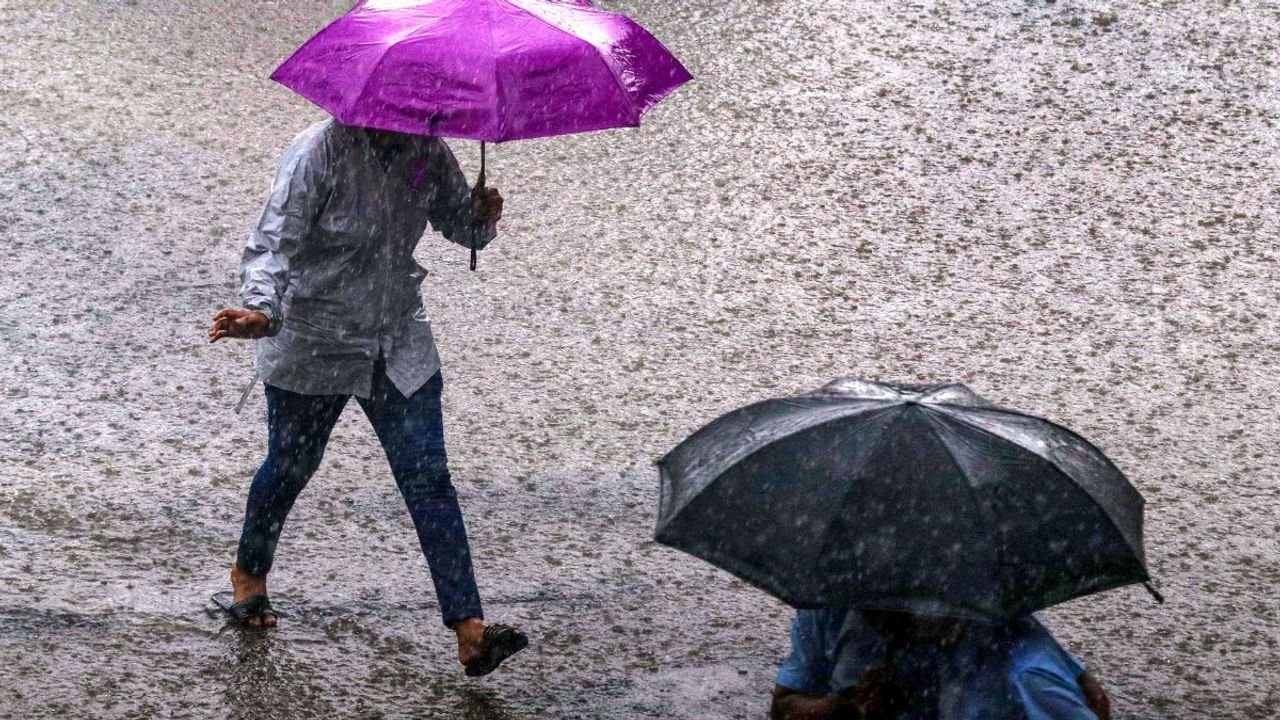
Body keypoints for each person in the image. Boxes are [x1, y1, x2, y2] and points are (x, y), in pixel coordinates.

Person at [208, 118, 527, 677]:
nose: (423, 116)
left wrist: (480, 218)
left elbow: (459, 225)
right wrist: (261, 311)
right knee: (291, 463)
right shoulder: (317, 152)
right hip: (315, 334)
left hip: (396, 338)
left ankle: (470, 630)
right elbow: (272, 242)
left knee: (428, 479)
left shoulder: (427, 150)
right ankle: (248, 574)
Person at [770, 608, 1111, 720]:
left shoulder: (1020, 665)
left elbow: (1092, 697)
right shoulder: (827, 608)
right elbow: (783, 705)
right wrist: (845, 707)